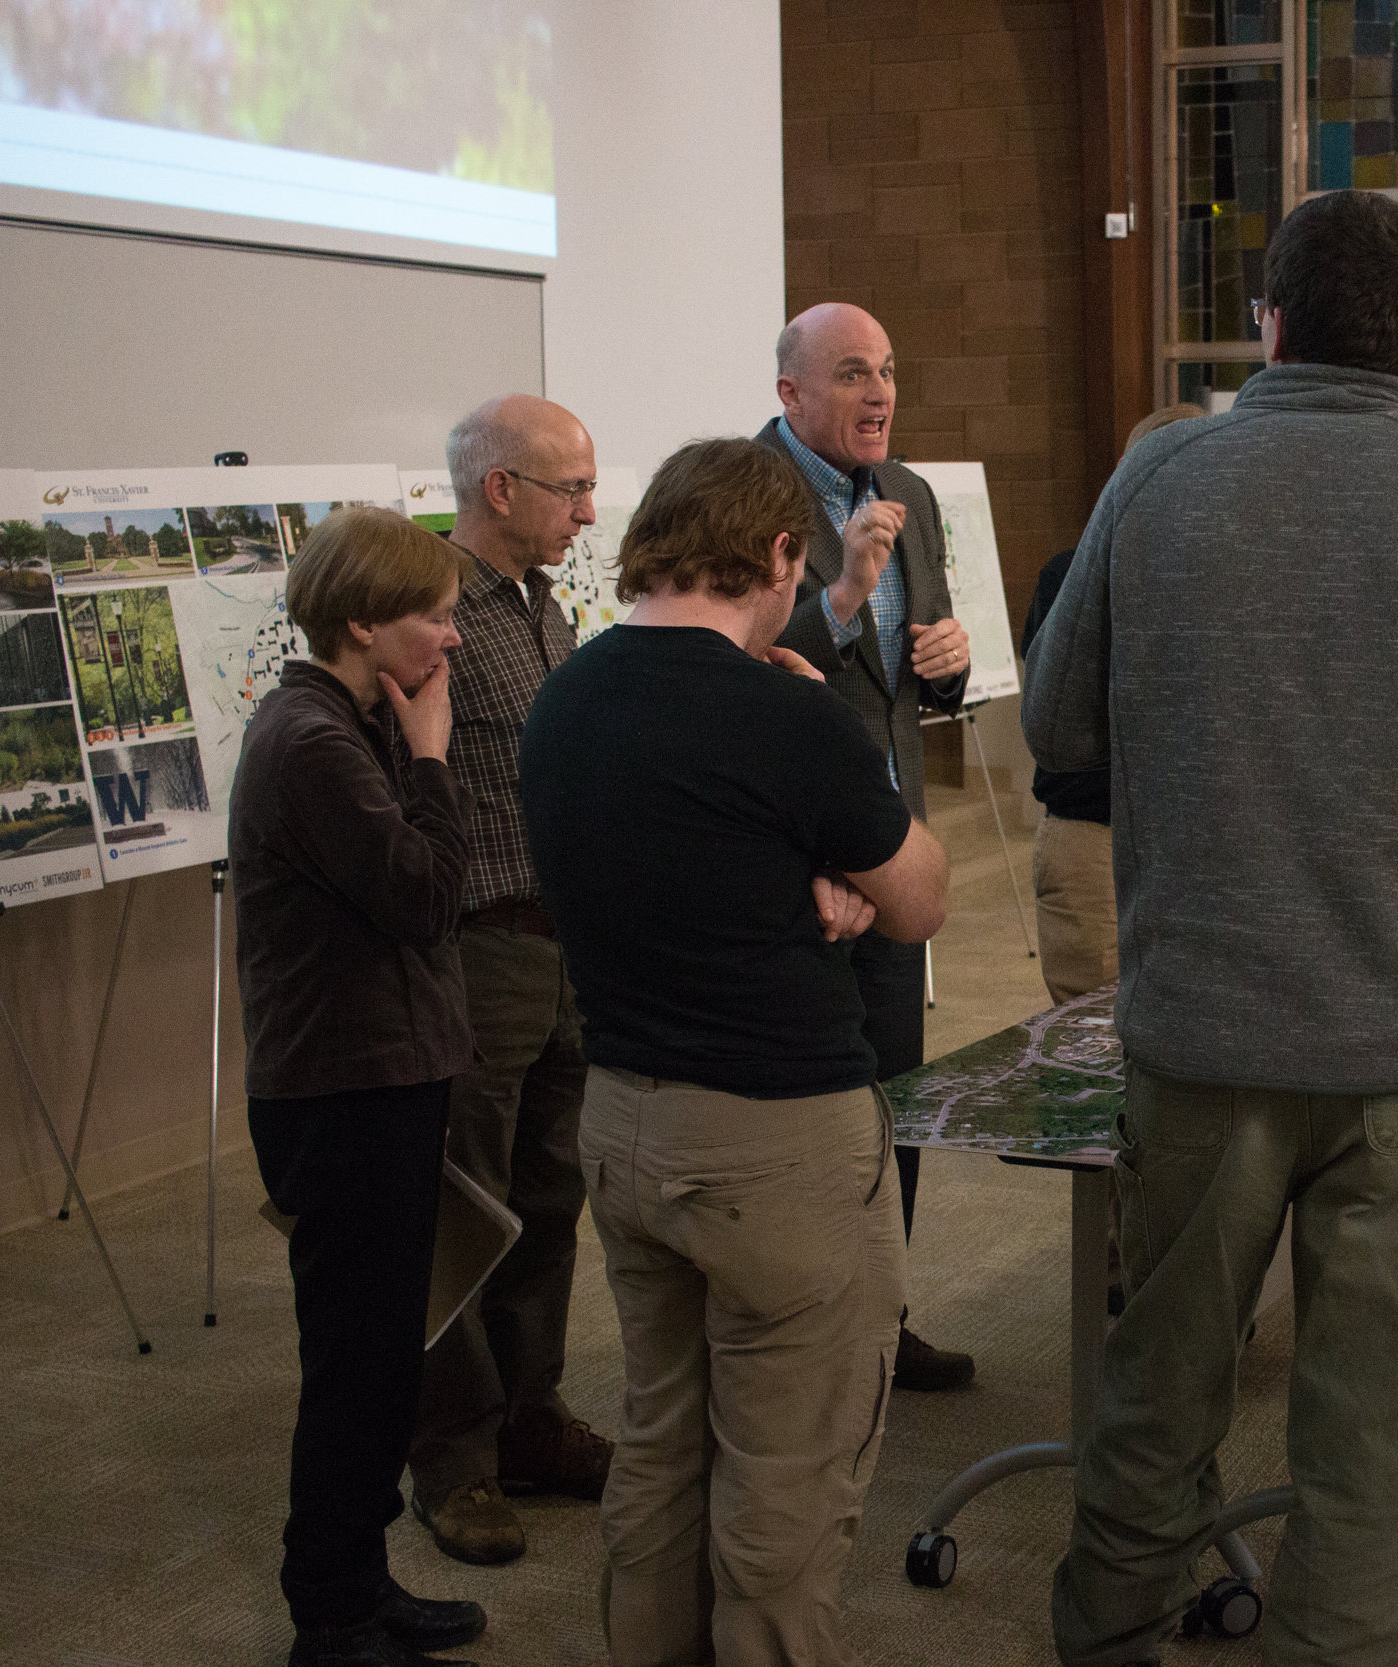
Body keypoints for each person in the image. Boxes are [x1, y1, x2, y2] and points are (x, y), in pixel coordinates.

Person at [1026, 188, 1398, 1667]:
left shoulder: (1157, 481)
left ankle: (1106, 1638)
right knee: (1374, 1444)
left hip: (1201, 1035)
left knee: (1157, 1388)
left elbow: (1053, 720)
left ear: (1268, 321)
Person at [519, 436, 950, 1667]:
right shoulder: (780, 710)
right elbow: (918, 895)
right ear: (777, 552)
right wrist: (839, 787)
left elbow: (648, 871)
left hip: (622, 1115)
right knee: (789, 1480)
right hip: (776, 1140)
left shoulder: (570, 690)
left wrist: (793, 879)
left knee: (660, 1445)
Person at [230, 506, 487, 1667]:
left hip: (383, 1076)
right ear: (360, 622)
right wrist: (433, 756)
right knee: (353, 1361)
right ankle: (328, 1614)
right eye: (430, 613)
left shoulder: (348, 719)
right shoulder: (312, 740)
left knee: (385, 1353)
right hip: (341, 1091)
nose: (450, 635)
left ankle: (359, 1577)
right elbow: (425, 895)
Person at [407, 393, 614, 1567]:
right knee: (464, 1209)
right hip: (476, 950)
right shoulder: (424, 607)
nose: (588, 512)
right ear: (498, 489)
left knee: (548, 1194)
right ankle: (455, 1459)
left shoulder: (545, 608)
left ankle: (531, 1415)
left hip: (562, 946)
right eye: (568, 489)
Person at [760, 301, 976, 1392]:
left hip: (891, 845)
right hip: (791, 857)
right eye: (852, 373)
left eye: (888, 370)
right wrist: (842, 592)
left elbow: (917, 677)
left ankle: (883, 1318)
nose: (881, 392)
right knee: (802, 1110)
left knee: (898, 1092)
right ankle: (806, 1333)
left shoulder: (917, 495)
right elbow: (738, 666)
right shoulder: (739, 492)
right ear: (790, 392)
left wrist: (947, 657)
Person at [1022, 402, 1205, 1011]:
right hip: (1093, 838)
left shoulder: (1215, 581)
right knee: (1093, 1036)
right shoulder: (1070, 576)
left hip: (1188, 840)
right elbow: (1056, 719)